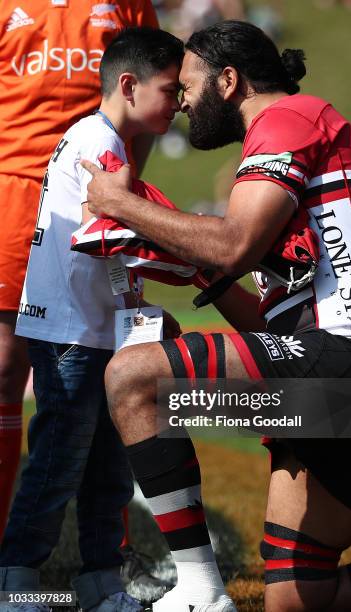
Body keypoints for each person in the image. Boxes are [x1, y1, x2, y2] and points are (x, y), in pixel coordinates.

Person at [81, 20, 351, 612]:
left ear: (228, 81)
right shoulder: (289, 139)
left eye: (187, 86)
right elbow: (266, 317)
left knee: (134, 380)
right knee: (298, 599)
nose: (180, 101)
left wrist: (121, 204)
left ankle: (201, 593)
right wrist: (181, 255)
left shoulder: (289, 119)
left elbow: (233, 245)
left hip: (347, 360)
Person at [0, 27, 187, 612]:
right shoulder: (97, 144)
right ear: (129, 85)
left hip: (99, 330)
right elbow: (104, 235)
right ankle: (17, 579)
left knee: (109, 464)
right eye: (170, 88)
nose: (180, 100)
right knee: (60, 458)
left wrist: (142, 302)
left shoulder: (104, 140)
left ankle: (101, 581)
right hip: (71, 335)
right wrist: (192, 256)